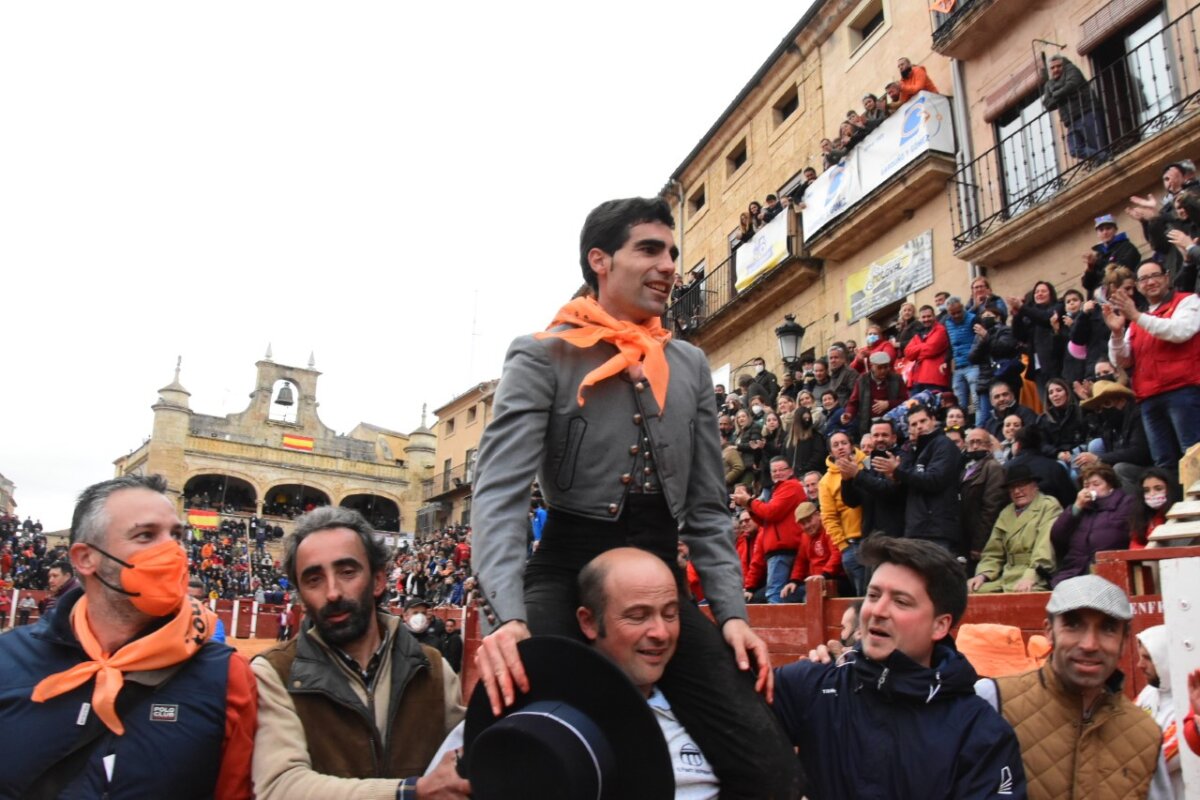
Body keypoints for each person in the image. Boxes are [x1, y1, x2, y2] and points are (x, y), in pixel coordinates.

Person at [470, 197, 795, 798]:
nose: (669, 264)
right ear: (600, 260)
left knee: (768, 762)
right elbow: (500, 495)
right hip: (567, 569)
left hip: (659, 580)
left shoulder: (690, 364)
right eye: (649, 249)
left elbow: (703, 508)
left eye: (671, 252)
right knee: (531, 747)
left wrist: (731, 615)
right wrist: (509, 618)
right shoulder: (543, 353)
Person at [0, 474, 256, 798]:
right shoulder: (6, 659)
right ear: (85, 558)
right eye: (146, 535)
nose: (173, 551)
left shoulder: (230, 677)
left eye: (177, 536)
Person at [773, 536, 1026, 798]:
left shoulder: (980, 731)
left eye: (901, 602)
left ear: (940, 625)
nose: (877, 611)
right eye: (873, 595)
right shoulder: (814, 683)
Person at [250, 506, 468, 799]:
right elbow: (280, 787)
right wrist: (408, 793)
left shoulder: (433, 668)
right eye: (314, 579)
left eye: (347, 572)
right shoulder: (274, 673)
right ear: (301, 595)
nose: (332, 592)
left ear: (378, 581)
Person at [976, 575, 1162, 799]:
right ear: (1049, 632)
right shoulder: (993, 701)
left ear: (1124, 642)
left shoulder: (1146, 736)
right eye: (1073, 625)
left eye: (1108, 629)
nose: (1089, 644)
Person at [1105, 259, 1200, 476]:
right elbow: (1122, 360)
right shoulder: (1138, 319)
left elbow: (1180, 331)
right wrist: (1117, 333)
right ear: (1138, 286)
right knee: (1163, 462)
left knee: (1193, 454)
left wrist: (1137, 316)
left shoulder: (1187, 301)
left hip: (1182, 391)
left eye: (1155, 276)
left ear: (1167, 277)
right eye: (1144, 279)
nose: (1150, 282)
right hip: (1148, 398)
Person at [874, 404, 964, 554]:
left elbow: (935, 480)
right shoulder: (917, 451)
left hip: (936, 530)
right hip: (917, 530)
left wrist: (897, 472)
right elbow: (910, 488)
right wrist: (894, 477)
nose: (919, 427)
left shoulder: (944, 444)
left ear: (933, 420)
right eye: (914, 424)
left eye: (923, 421)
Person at [969, 463, 1061, 594]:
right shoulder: (1006, 512)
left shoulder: (1048, 506)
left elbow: (1045, 548)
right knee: (971, 590)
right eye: (1012, 487)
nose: (1017, 491)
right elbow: (993, 552)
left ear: (1034, 485)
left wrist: (1031, 577)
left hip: (1038, 575)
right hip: (1007, 576)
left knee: (1026, 594)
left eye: (1022, 485)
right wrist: (982, 575)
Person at [1049, 463, 1134, 587]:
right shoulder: (1081, 509)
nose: (1091, 489)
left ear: (1110, 485)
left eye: (1096, 484)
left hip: (1111, 570)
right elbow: (1057, 536)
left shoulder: (1126, 503)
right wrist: (1076, 507)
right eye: (1086, 486)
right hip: (1075, 572)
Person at [733, 457, 803, 604]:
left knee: (775, 594)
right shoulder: (777, 490)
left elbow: (771, 512)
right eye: (774, 471)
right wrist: (748, 506)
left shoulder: (790, 486)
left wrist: (750, 501)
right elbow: (764, 521)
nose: (777, 473)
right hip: (778, 551)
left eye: (781, 470)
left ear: (790, 471)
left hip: (783, 550)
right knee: (779, 593)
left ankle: (781, 626)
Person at [1134, 625, 1185, 799]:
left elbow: (1157, 761)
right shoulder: (1149, 692)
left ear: (1166, 659)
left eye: (1148, 658)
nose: (1140, 665)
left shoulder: (1189, 703)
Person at [839, 418, 907, 540]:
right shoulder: (867, 463)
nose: (880, 438)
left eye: (884, 435)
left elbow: (891, 491)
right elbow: (852, 502)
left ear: (894, 438)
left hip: (895, 537)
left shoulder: (901, 459)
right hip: (870, 536)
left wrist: (857, 474)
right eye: (876, 435)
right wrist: (846, 480)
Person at [821, 431, 868, 593]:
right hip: (852, 544)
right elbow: (829, 518)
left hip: (876, 536)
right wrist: (843, 547)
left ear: (851, 445)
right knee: (863, 597)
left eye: (844, 443)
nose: (840, 447)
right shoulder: (825, 481)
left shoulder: (868, 464)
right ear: (830, 452)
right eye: (836, 445)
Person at [1041, 54, 1105, 161]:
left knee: (1098, 143)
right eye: (1052, 68)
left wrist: (1055, 94)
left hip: (1087, 112)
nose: (1056, 70)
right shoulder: (1049, 84)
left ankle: (1103, 159)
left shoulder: (1071, 69)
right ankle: (1103, 156)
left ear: (1064, 65)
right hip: (1070, 121)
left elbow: (1072, 84)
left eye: (1058, 66)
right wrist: (1064, 93)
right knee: (1074, 149)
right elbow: (1047, 104)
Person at [961, 427, 1009, 564]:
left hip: (983, 541)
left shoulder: (993, 468)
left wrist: (979, 544)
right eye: (971, 443)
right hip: (966, 537)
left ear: (989, 445)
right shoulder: (966, 468)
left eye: (979, 442)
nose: (975, 446)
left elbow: (991, 508)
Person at [1084, 215, 1141, 298]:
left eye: (1108, 228)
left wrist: (1098, 263)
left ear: (1115, 230)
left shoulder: (1127, 247)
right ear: (1097, 234)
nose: (1105, 232)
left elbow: (1121, 270)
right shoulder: (1098, 254)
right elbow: (1088, 285)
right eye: (1101, 230)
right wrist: (1090, 269)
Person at [904, 305, 951, 391]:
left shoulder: (941, 330)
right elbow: (907, 353)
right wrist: (923, 347)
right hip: (917, 378)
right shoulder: (919, 333)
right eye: (923, 317)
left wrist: (917, 351)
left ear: (934, 316)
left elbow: (931, 349)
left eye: (929, 316)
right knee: (913, 404)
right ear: (920, 319)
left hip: (934, 378)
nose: (926, 319)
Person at [188, 577, 226, 643]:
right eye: (189, 597)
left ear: (203, 600)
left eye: (197, 598)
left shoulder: (213, 620)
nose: (193, 601)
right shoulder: (171, 615)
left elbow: (216, 643)